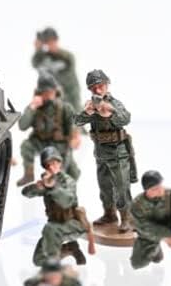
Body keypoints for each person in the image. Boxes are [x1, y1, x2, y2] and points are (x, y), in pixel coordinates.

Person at [74, 69, 137, 232]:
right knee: (105, 187)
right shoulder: (91, 105)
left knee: (121, 188)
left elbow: (126, 118)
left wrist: (110, 112)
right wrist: (86, 113)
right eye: (93, 87)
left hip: (117, 152)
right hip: (101, 152)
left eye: (100, 86)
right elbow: (76, 121)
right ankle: (109, 214)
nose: (97, 90)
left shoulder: (114, 104)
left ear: (107, 85)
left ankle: (127, 218)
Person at [21, 147, 90, 266]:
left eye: (53, 163)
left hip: (72, 224)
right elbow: (25, 193)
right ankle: (69, 249)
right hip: (54, 225)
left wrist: (53, 187)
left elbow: (67, 201)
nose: (51, 167)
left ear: (59, 163)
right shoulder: (47, 181)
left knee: (51, 233)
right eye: (47, 165)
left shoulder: (68, 181)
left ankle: (59, 256)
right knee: (39, 259)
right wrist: (37, 187)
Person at [16, 72, 80, 186]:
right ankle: (28, 175)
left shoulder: (64, 108)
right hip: (40, 142)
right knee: (26, 146)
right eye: (45, 92)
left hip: (59, 145)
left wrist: (74, 137)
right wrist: (32, 107)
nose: (48, 95)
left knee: (72, 174)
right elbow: (22, 126)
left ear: (55, 91)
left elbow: (73, 125)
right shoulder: (35, 108)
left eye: (51, 91)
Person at [31, 27, 82, 111]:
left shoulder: (67, 56)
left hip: (71, 95)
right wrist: (38, 49)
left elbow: (64, 64)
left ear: (56, 40)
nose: (50, 44)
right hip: (55, 98)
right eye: (47, 42)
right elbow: (35, 63)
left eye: (52, 41)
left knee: (75, 115)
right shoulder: (45, 57)